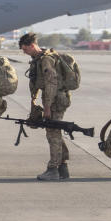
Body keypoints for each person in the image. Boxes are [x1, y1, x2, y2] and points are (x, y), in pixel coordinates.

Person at [20, 33, 74, 181]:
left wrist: (48, 107)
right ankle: (63, 168)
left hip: (56, 100)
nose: (25, 52)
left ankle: (53, 169)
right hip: (54, 99)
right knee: (54, 131)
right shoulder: (39, 59)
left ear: (32, 46)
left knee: (52, 133)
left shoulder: (46, 60)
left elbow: (51, 83)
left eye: (25, 49)